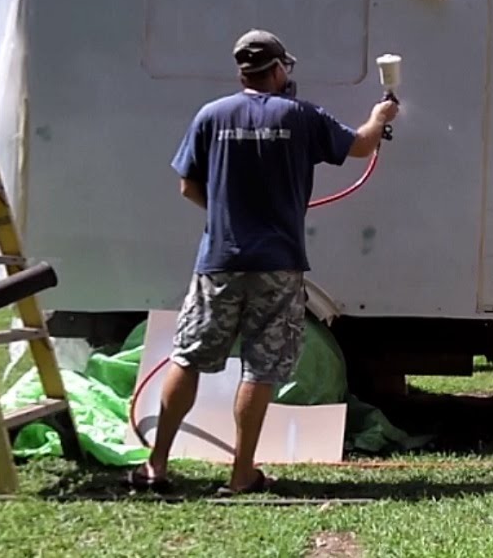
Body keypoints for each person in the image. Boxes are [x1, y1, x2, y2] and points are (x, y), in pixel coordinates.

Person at [125, 29, 398, 495]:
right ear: (276, 69)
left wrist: (228, 217)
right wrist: (380, 115)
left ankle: (156, 466)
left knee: (188, 358)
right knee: (261, 368)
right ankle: (241, 473)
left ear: (241, 71)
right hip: (278, 264)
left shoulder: (211, 115)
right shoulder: (302, 116)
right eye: (284, 67)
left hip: (220, 260)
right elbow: (360, 146)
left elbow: (188, 186)